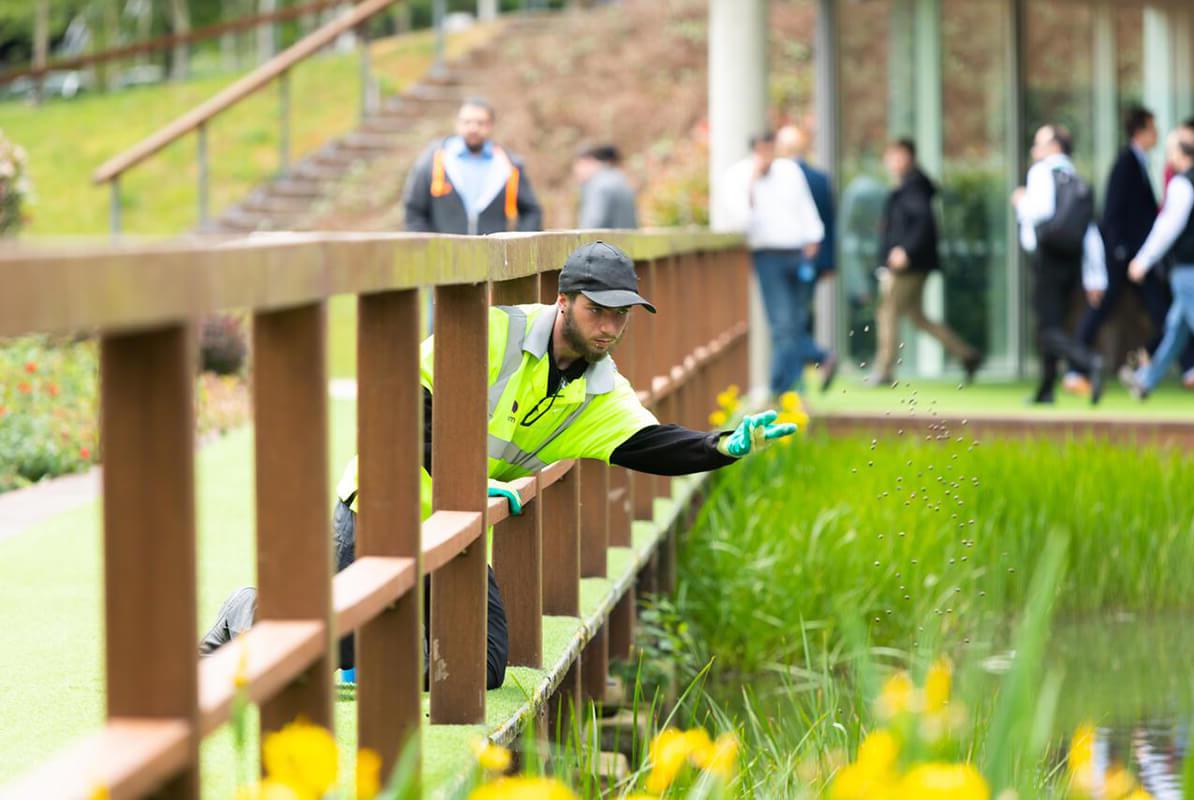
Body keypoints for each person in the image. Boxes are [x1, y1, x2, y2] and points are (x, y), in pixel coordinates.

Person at [201, 241, 800, 689]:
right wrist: (458, 480)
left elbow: (650, 443)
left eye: (623, 315)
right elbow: (402, 394)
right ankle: (249, 609)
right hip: (385, 501)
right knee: (334, 653)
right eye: (599, 310)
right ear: (563, 301)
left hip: (460, 526)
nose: (611, 326)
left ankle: (377, 647)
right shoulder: (491, 332)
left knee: (479, 671)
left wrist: (723, 446)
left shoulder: (602, 390)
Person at [1066, 108, 1194, 394]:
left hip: (1146, 259)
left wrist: (1143, 258)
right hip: (1124, 256)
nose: (1158, 137)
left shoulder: (1173, 178)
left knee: (1172, 317)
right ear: (1139, 131)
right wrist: (1124, 254)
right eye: (1153, 129)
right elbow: (1116, 213)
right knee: (1164, 319)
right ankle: (1085, 372)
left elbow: (1162, 225)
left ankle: (1175, 371)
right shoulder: (1127, 164)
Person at [721, 131, 838, 400]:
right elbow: (741, 220)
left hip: (797, 252)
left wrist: (813, 239)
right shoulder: (738, 175)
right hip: (767, 255)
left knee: (794, 322)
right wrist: (752, 183)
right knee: (783, 325)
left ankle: (785, 386)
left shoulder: (790, 172)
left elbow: (806, 208)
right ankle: (806, 368)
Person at [867, 139, 981, 386]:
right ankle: (967, 354)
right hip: (912, 261)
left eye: (896, 156)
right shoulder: (909, 186)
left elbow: (923, 223)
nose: (891, 161)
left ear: (908, 157)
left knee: (887, 312)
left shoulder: (913, 187)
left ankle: (884, 370)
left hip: (908, 264)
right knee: (918, 317)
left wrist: (905, 251)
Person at [1012, 124, 1108, 405]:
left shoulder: (1041, 172)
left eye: (1039, 143)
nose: (1034, 149)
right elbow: (1091, 233)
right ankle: (1046, 389)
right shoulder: (1076, 178)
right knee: (1054, 323)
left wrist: (1020, 201)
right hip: (1072, 261)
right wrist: (1096, 277)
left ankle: (1087, 361)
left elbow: (1039, 211)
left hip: (1048, 258)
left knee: (1046, 328)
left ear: (1055, 147)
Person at [1121, 126, 1194, 399]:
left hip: (1190, 269)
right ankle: (1146, 381)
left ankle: (1145, 380)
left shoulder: (1183, 183)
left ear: (1180, 152)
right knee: (1176, 329)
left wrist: (1143, 260)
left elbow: (1167, 227)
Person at [404, 97, 542, 235]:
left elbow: (531, 212)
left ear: (491, 125)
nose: (473, 128)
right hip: (444, 254)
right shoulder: (434, 161)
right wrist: (426, 249)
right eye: (467, 122)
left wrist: (516, 246)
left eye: (480, 123)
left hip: (493, 255)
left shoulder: (508, 166)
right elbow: (414, 210)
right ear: (457, 124)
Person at [776, 123, 837, 282]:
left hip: (783, 255)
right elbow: (829, 222)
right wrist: (829, 262)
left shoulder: (775, 181)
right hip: (813, 256)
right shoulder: (820, 179)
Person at [574, 144, 639, 230]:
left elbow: (592, 224)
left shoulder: (599, 185)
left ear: (588, 161)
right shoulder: (622, 180)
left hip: (607, 242)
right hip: (625, 241)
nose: (577, 171)